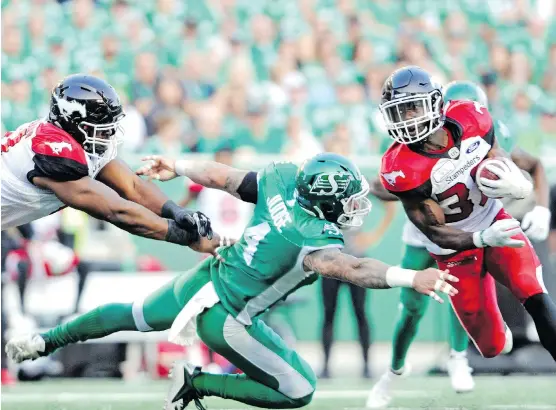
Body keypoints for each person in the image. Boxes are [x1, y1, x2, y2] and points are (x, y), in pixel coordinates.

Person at [7, 152, 458, 410]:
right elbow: (355, 269)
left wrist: (178, 165)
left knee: (133, 315)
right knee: (299, 392)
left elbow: (221, 177)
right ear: (323, 203)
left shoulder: (281, 181)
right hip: (227, 317)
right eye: (349, 201)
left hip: (210, 276)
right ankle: (197, 383)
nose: (356, 209)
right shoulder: (310, 238)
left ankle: (45, 341)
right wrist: (412, 276)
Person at [366, 66, 556, 409]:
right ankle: (401, 369)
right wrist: (484, 238)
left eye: (413, 107)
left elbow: (500, 157)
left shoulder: (472, 117)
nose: (406, 119)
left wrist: (517, 183)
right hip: (451, 245)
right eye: (399, 112)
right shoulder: (400, 165)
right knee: (492, 346)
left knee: (536, 294)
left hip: (492, 218)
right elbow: (434, 229)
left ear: (439, 105)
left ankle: (458, 358)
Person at [1, 74, 218, 255]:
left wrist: (177, 212)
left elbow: (133, 187)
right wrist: (186, 237)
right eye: (101, 128)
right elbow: (118, 211)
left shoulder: (76, 139)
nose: (109, 134)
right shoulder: (53, 151)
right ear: (72, 122)